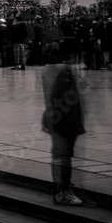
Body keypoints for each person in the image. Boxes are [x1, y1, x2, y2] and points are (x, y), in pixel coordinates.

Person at [41, 46, 85, 205]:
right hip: (62, 122)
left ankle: (64, 188)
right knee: (63, 157)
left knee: (62, 156)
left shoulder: (53, 72)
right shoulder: (61, 73)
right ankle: (62, 191)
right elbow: (59, 100)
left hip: (62, 122)